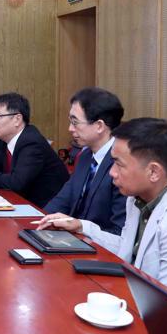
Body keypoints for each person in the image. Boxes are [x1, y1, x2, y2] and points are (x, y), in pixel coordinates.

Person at [39, 118, 167, 317]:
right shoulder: (139, 197)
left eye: (119, 165)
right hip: (143, 303)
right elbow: (127, 248)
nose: (111, 173)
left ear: (153, 171)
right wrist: (81, 226)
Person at [43, 88, 127, 233]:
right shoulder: (86, 156)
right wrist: (40, 220)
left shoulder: (121, 165)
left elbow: (119, 231)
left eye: (75, 122)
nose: (70, 129)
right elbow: (62, 200)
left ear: (99, 126)